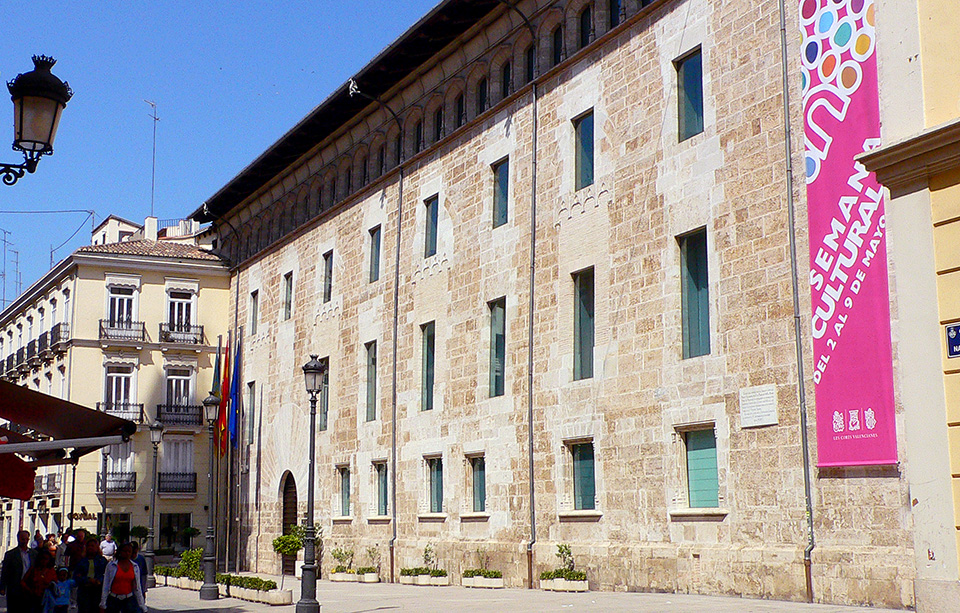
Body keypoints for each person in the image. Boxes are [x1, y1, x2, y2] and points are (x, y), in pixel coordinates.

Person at [99, 542, 145, 613]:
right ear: (120, 552)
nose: (127, 553)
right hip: (114, 599)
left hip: (129, 599)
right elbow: (106, 585)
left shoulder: (135, 567)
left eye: (129, 551)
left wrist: (142, 605)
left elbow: (137, 588)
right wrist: (103, 604)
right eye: (124, 551)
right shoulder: (111, 566)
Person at [1, 529, 37, 611]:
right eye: (22, 539)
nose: (24, 541)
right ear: (18, 539)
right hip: (15, 587)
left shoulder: (34, 554)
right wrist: (2, 587)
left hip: (29, 587)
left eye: (26, 539)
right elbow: (5, 572)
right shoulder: (10, 554)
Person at [74, 538, 107, 613]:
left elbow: (106, 575)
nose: (90, 548)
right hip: (84, 590)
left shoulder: (102, 560)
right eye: (88, 546)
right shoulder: (81, 561)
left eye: (92, 546)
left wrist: (98, 580)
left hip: (97, 590)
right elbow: (76, 576)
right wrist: (87, 580)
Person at [21, 548, 57, 612]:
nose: (44, 561)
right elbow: (23, 582)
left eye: (46, 559)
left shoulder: (51, 571)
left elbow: (55, 583)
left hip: (47, 598)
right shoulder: (33, 569)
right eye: (42, 558)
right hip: (33, 599)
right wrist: (29, 590)